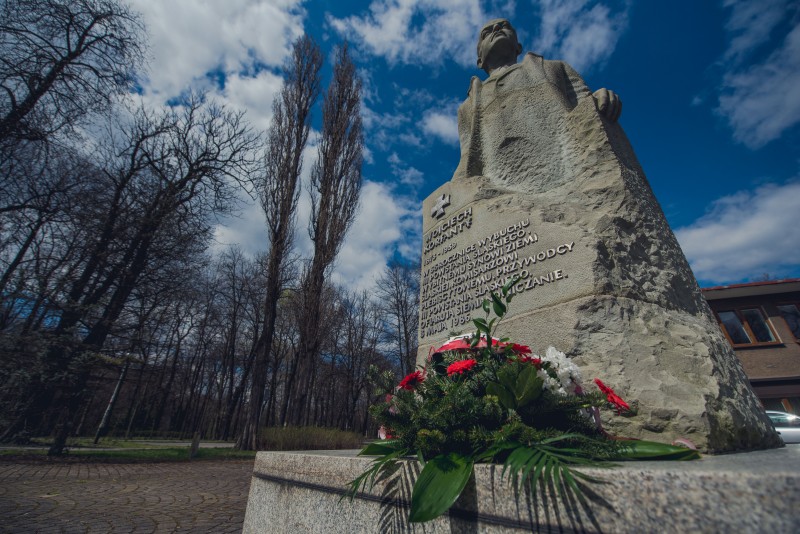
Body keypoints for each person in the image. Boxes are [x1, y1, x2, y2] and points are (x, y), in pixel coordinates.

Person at [452, 18, 622, 190]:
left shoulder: (555, 68)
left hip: (564, 167)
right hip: (499, 185)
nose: (497, 28)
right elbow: (467, 158)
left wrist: (598, 97)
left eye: (505, 26)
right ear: (479, 60)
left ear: (518, 46)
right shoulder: (467, 108)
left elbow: (584, 103)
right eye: (486, 33)